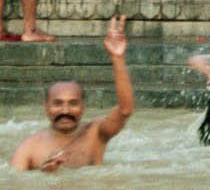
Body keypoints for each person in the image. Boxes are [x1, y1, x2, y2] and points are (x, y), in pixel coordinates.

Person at [9, 16, 132, 170]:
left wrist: (118, 57)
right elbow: (15, 185)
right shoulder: (28, 149)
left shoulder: (96, 134)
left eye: (73, 103)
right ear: (46, 107)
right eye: (57, 103)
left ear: (83, 106)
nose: (65, 111)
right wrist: (43, 175)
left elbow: (125, 110)